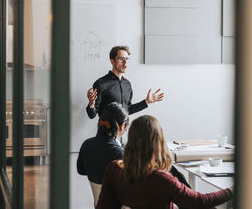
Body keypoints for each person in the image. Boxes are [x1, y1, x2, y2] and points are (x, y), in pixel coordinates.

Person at [96, 115, 233, 209]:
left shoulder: (114, 169)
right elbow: (201, 201)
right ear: (158, 143)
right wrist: (231, 191)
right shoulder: (161, 179)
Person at [86, 46, 164, 119]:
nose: (125, 63)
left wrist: (146, 101)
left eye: (127, 59)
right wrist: (91, 104)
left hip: (122, 131)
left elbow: (128, 110)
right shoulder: (100, 84)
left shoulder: (127, 84)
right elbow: (92, 115)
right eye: (121, 59)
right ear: (112, 61)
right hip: (105, 132)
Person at [77, 102, 129, 185]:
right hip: (114, 197)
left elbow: (81, 171)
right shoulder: (120, 154)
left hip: (97, 197)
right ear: (122, 126)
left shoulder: (86, 144)